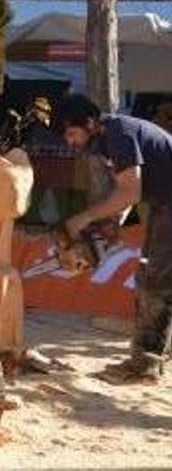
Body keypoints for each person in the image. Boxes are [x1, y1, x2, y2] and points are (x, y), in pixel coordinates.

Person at [54, 94, 172, 383]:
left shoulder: (119, 133)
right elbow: (127, 193)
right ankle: (145, 360)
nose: (70, 142)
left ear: (90, 122)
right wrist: (107, 231)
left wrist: (82, 219)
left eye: (72, 133)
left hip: (168, 204)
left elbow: (128, 192)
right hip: (163, 203)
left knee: (155, 279)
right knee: (150, 276)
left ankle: (145, 364)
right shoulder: (108, 141)